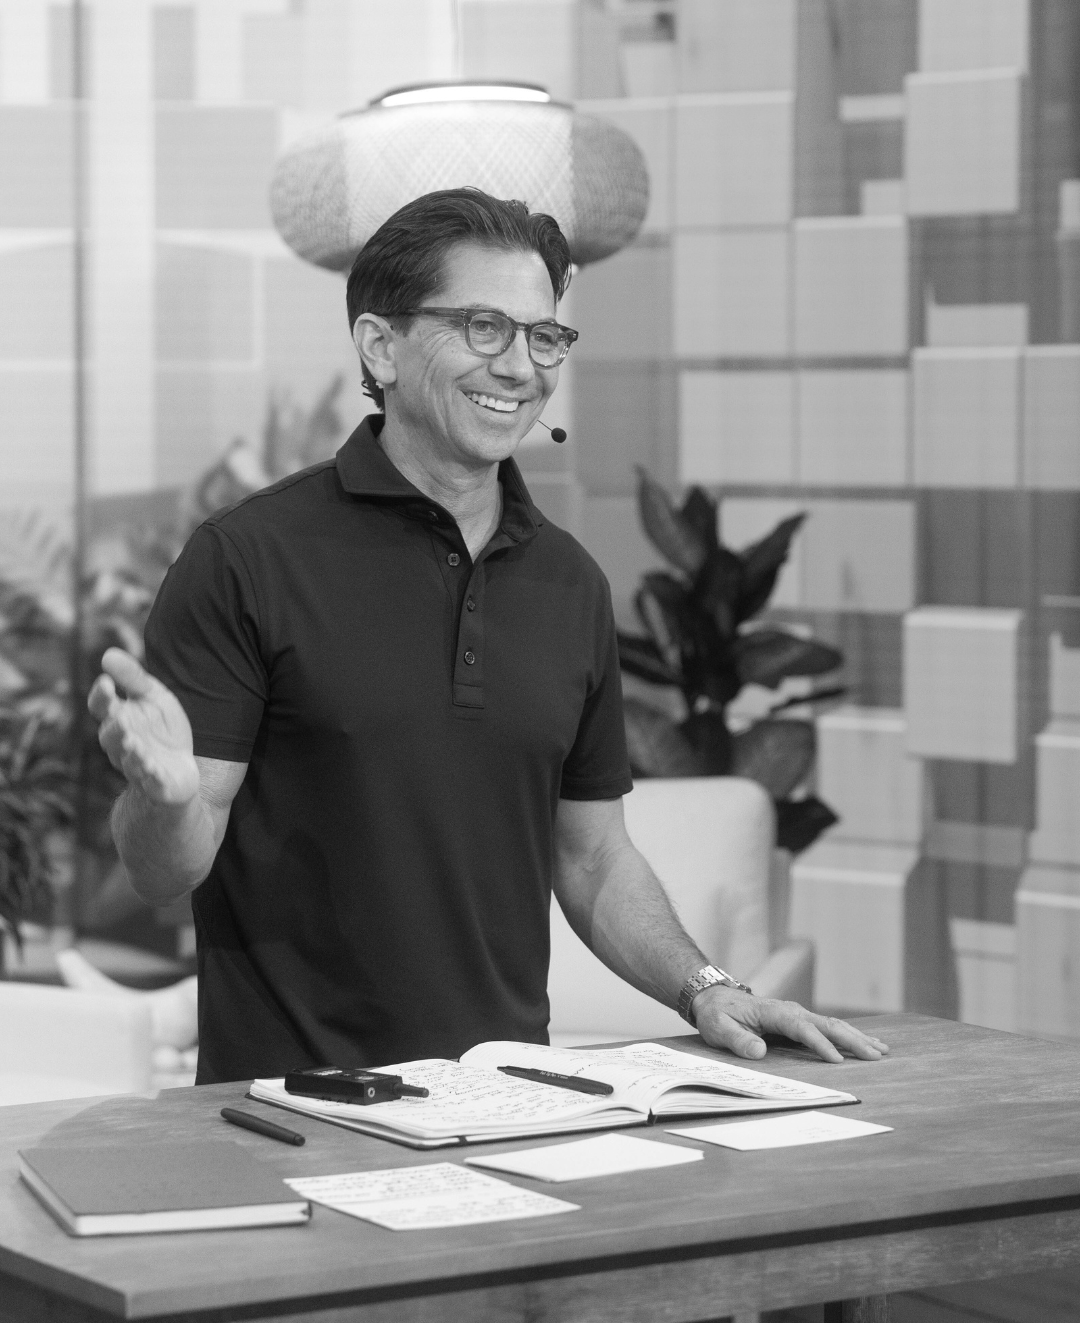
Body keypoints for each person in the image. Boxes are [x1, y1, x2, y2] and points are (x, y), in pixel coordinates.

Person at [88, 188, 888, 1084]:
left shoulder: (570, 584)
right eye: (483, 327)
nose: (519, 366)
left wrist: (705, 987)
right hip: (291, 1111)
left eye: (543, 336)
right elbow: (166, 869)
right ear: (380, 346)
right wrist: (164, 802)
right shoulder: (246, 559)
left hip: (505, 1104)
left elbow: (592, 856)